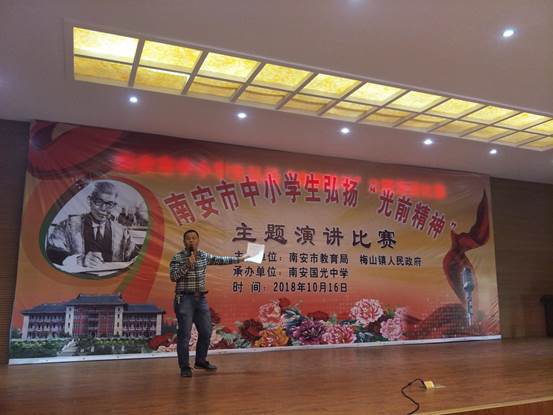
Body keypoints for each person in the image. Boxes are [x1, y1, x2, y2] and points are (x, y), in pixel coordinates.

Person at [169, 229, 248, 377]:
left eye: (194, 238)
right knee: (184, 335)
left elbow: (220, 260)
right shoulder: (178, 257)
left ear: (198, 240)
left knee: (206, 331)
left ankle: (200, 361)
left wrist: (240, 259)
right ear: (184, 241)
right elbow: (173, 277)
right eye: (188, 238)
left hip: (201, 299)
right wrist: (187, 265)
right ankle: (184, 367)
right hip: (184, 299)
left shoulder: (203, 256)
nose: (191, 240)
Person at [46, 181, 138, 269]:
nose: (103, 208)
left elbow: (136, 255)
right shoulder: (68, 226)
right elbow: (51, 252)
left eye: (109, 204)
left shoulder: (121, 232)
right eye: (99, 202)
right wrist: (78, 260)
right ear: (89, 200)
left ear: (114, 206)